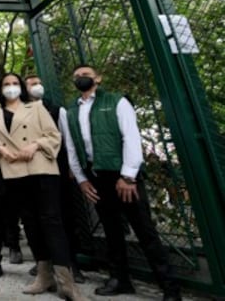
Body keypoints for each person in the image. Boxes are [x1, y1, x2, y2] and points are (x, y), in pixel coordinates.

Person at [64, 64, 181, 301]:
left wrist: (128, 176)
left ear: (98, 78)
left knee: (144, 230)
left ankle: (169, 287)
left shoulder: (117, 101)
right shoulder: (70, 111)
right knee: (111, 230)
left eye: (85, 75)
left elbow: (131, 138)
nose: (81, 79)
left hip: (123, 176)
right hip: (96, 178)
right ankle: (120, 279)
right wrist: (82, 180)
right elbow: (71, 148)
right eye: (76, 77)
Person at [0, 73, 86, 300]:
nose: (11, 88)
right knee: (30, 223)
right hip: (13, 172)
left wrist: (36, 144)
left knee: (52, 221)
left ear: (22, 87)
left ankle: (66, 282)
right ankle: (43, 275)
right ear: (0, 89)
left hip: (42, 169)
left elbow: (54, 135)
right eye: (6, 84)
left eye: (15, 84)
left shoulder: (37, 108)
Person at [24, 74, 86, 283]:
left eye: (39, 82)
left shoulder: (57, 109)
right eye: (32, 84)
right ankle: (46, 263)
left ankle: (71, 265)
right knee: (41, 217)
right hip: (34, 172)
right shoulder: (21, 112)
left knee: (65, 216)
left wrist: (70, 166)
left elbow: (67, 139)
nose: (37, 86)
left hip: (58, 169)